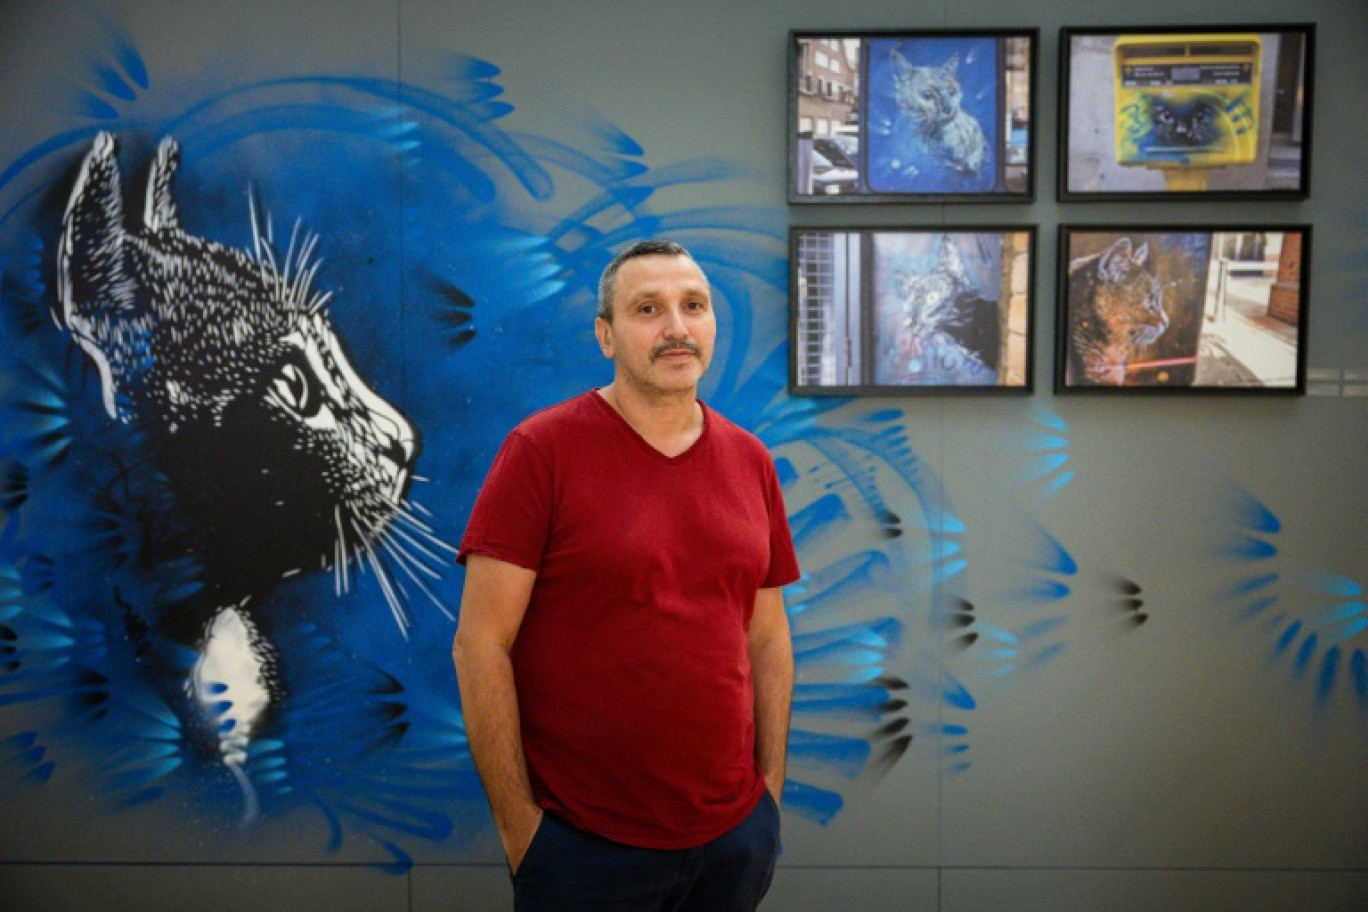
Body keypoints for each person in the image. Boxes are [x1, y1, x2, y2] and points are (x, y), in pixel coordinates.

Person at [453, 239, 799, 911]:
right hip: (582, 847)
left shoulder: (750, 460)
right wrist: (522, 831)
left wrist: (769, 796)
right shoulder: (540, 451)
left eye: (692, 306)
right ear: (607, 335)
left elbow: (767, 637)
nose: (676, 326)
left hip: (732, 840)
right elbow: (479, 644)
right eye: (648, 308)